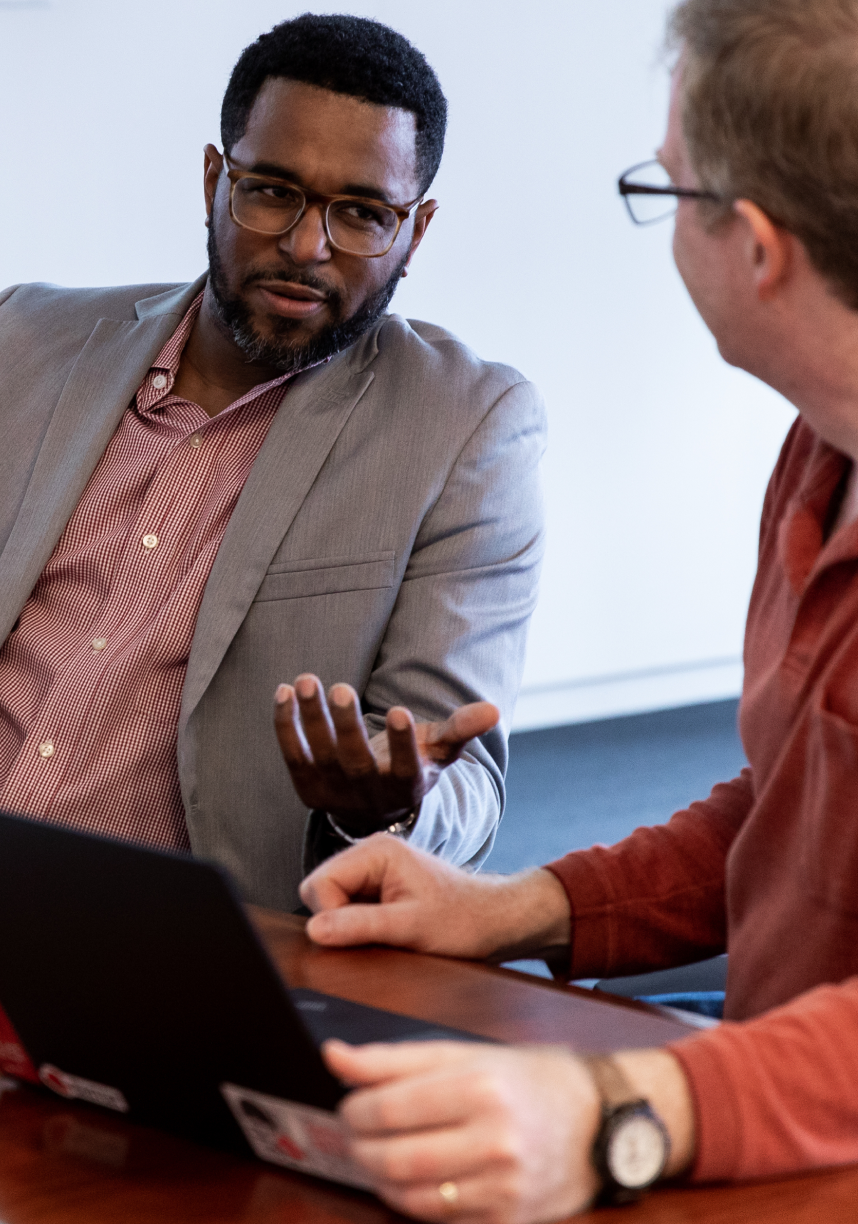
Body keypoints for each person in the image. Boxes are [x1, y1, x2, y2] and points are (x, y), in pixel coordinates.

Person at [296, 0, 858, 1218]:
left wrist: (616, 1113)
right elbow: (799, 813)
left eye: (667, 192)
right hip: (763, 1103)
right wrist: (510, 910)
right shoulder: (818, 455)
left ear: (757, 248)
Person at [0, 15, 544, 910]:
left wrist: (388, 811)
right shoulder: (29, 339)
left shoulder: (466, 428)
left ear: (416, 231)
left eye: (363, 213)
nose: (306, 246)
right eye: (272, 192)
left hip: (171, 960)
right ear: (215, 180)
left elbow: (464, 782)